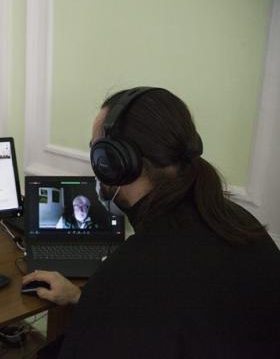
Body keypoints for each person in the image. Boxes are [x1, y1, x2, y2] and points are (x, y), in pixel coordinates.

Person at [22, 87, 280, 358]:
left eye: (98, 153)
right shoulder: (238, 222)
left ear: (116, 163)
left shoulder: (128, 273)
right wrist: (82, 298)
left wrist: (99, 298)